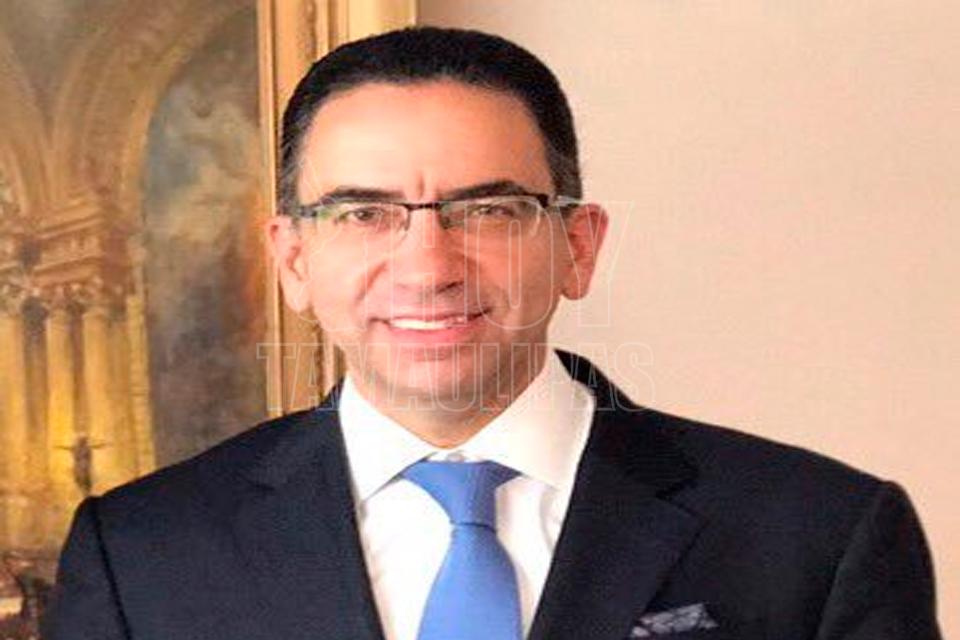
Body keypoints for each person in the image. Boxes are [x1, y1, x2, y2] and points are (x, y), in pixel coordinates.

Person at [41, 26, 941, 640]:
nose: (427, 266)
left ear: (577, 247)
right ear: (293, 259)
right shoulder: (140, 555)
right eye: (362, 213)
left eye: (489, 210)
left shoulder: (819, 536)